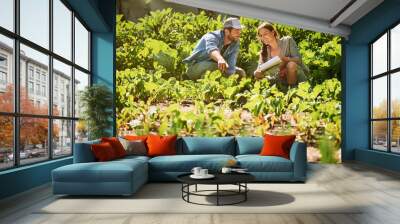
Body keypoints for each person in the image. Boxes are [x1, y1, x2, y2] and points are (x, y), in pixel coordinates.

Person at [254, 22, 308, 89]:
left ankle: (292, 90)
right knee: (256, 74)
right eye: (261, 35)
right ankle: (274, 90)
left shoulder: (287, 41)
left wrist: (284, 59)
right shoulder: (263, 52)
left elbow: (298, 59)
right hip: (278, 78)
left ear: (273, 32)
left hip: (294, 74)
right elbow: (259, 69)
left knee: (291, 65)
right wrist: (259, 72)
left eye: (265, 34)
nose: (263, 37)